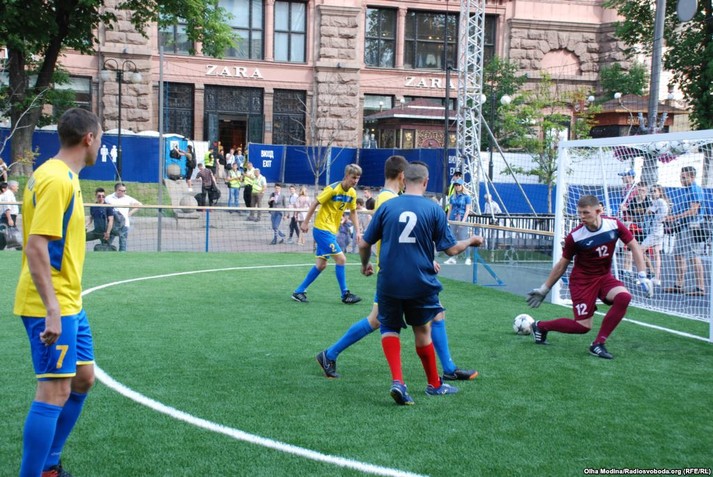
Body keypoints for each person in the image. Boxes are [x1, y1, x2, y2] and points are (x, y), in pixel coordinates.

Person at [316, 155, 478, 383]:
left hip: (398, 270)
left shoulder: (392, 198)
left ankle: (448, 368)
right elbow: (384, 239)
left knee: (435, 313)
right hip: (394, 272)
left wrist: (423, 259)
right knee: (378, 321)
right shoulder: (387, 199)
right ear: (403, 176)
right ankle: (331, 354)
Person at [14, 108, 102, 477]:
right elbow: (35, 246)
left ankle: (49, 465)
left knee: (83, 378)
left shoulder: (60, 175)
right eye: (100, 139)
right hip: (51, 303)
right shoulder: (56, 180)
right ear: (88, 139)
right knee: (53, 391)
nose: (100, 146)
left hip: (69, 301)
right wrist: (52, 308)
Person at [358, 162, 484, 405]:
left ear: (404, 180)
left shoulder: (387, 206)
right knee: (423, 330)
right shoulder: (434, 209)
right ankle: (434, 385)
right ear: (425, 182)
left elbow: (364, 243)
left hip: (389, 280)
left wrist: (365, 265)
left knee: (389, 328)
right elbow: (450, 249)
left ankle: (398, 382)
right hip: (420, 280)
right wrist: (471, 241)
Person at [526, 195, 653, 360]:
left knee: (624, 297)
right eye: (579, 213)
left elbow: (634, 246)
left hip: (604, 277)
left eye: (586, 212)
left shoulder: (614, 224)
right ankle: (541, 326)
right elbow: (562, 264)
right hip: (582, 282)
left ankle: (598, 344)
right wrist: (544, 289)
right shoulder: (575, 236)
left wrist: (642, 275)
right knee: (583, 327)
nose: (582, 216)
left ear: (599, 210)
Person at [291, 164, 363, 304]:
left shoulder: (352, 193)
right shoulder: (332, 189)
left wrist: (358, 231)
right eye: (353, 177)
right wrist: (305, 222)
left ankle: (299, 291)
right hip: (322, 230)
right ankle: (345, 294)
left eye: (358, 178)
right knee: (341, 259)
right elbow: (314, 203)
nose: (355, 181)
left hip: (330, 231)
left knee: (321, 265)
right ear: (346, 176)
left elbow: (353, 212)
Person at [664, 166, 706, 296]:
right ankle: (679, 285)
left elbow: (693, 210)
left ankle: (700, 287)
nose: (681, 180)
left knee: (693, 256)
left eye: (683, 177)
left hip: (692, 227)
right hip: (683, 227)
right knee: (678, 255)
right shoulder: (686, 190)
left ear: (692, 177)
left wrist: (674, 217)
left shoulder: (695, 189)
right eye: (681, 177)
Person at [641, 184, 669, 287]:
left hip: (655, 232)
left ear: (660, 192)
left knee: (640, 250)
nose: (652, 193)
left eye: (654, 191)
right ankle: (656, 278)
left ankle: (643, 275)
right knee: (657, 255)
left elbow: (648, 212)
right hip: (658, 231)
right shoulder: (661, 202)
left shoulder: (659, 201)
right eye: (651, 191)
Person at [105, 182, 142, 252]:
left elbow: (140, 205)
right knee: (107, 243)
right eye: (122, 190)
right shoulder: (108, 198)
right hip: (112, 224)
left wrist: (129, 213)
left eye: (124, 191)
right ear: (116, 190)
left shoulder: (128, 198)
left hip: (124, 224)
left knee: (123, 244)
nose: (123, 192)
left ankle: (122, 256)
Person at [444, 178, 473, 265]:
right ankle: (453, 257)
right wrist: (447, 220)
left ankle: (468, 257)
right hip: (453, 219)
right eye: (455, 185)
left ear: (462, 186)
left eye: (458, 185)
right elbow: (450, 209)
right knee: (452, 238)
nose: (457, 187)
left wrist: (463, 222)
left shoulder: (467, 197)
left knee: (463, 238)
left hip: (462, 219)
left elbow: (467, 210)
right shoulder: (452, 197)